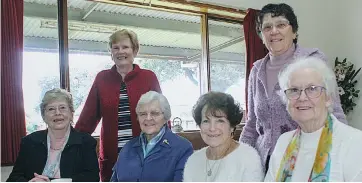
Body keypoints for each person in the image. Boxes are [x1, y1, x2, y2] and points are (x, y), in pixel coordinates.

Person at [239, 3, 347, 172]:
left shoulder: (313, 61)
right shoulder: (256, 71)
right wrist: (239, 157)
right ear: (261, 35)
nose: (274, 31)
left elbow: (335, 111)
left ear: (294, 31)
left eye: (281, 24)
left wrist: (341, 155)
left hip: (307, 158)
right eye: (267, 27)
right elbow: (252, 124)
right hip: (264, 163)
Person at [75, 29, 162, 181]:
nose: (120, 51)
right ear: (111, 53)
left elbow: (162, 115)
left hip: (145, 156)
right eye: (116, 48)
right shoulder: (102, 78)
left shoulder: (148, 77)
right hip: (113, 159)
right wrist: (71, 143)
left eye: (125, 47)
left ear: (134, 50)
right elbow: (87, 118)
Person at [264, 57, 362, 181]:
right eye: (294, 90)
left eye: (312, 89)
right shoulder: (283, 142)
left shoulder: (354, 142)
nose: (302, 97)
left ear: (328, 98)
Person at [7, 88, 99, 182]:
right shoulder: (29, 141)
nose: (57, 113)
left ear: (71, 113)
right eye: (51, 109)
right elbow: (13, 178)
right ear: (44, 116)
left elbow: (92, 178)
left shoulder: (86, 142)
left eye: (62, 108)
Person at [111, 91, 193, 181]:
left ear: (166, 117)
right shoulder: (127, 148)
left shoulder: (183, 148)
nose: (148, 118)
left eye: (154, 113)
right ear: (138, 118)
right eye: (143, 114)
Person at [184, 92, 264, 182]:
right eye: (206, 121)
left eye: (220, 121)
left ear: (232, 126)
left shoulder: (248, 157)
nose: (212, 128)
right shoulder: (193, 160)